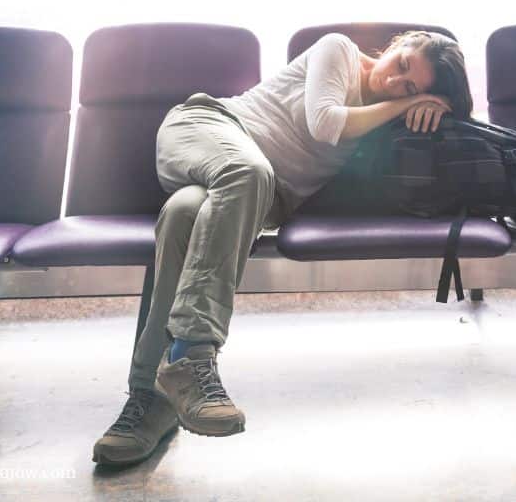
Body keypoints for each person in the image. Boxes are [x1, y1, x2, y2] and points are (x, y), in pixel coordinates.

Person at [92, 29, 473, 466]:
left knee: (183, 215)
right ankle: (192, 354)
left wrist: (428, 116)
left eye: (409, 88)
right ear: (396, 45)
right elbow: (326, 122)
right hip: (210, 129)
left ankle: (148, 403)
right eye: (402, 66)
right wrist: (406, 103)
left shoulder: (385, 121)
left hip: (254, 195)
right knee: (249, 171)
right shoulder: (340, 51)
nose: (394, 83)